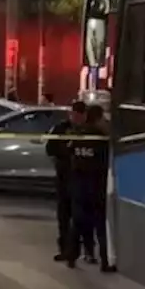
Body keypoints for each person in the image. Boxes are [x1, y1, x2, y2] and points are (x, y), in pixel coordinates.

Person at [66, 104, 116, 272]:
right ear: (99, 118)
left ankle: (71, 257)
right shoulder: (101, 137)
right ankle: (104, 261)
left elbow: (69, 153)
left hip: (79, 184)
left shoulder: (78, 134)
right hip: (96, 185)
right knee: (100, 224)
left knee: (77, 222)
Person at [47, 101, 88, 263]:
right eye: (73, 115)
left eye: (79, 115)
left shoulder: (89, 130)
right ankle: (65, 249)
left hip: (82, 180)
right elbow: (50, 149)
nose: (75, 118)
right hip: (64, 178)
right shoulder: (61, 129)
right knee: (63, 217)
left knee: (79, 218)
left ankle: (78, 251)